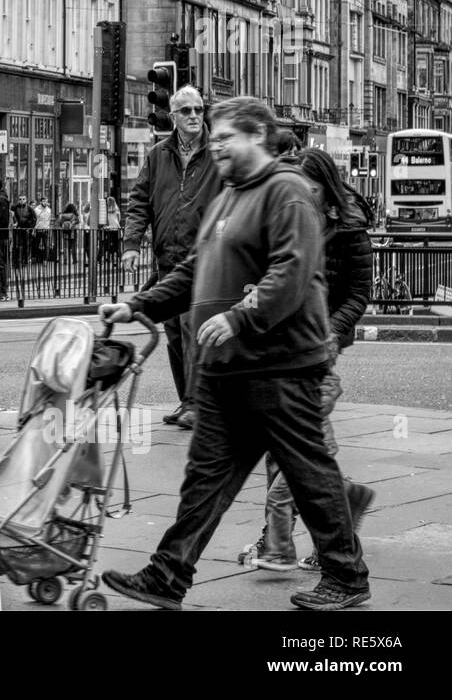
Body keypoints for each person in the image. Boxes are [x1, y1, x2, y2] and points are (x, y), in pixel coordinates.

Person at [99, 97, 371, 612]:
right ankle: (167, 575)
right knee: (205, 480)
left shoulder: (286, 192)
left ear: (258, 138)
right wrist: (139, 305)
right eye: (215, 137)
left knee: (309, 475)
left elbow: (291, 273)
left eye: (226, 137)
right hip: (227, 369)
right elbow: (192, 271)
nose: (216, 144)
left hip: (281, 365)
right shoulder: (229, 196)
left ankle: (347, 577)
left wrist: (239, 317)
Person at [240, 147, 377, 572]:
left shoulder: (351, 230)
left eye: (310, 188)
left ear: (326, 187)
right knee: (288, 440)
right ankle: (338, 503)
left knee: (292, 439)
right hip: (286, 337)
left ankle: (279, 540)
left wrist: (330, 331)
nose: (303, 194)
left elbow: (358, 295)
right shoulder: (293, 216)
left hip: (322, 342)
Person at [121, 84, 223, 431]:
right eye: (186, 111)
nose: (194, 116)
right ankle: (187, 401)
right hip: (167, 260)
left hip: (205, 260)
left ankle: (198, 404)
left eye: (198, 109)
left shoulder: (216, 153)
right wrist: (131, 244)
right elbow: (139, 202)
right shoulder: (158, 155)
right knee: (175, 337)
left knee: (195, 331)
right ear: (173, 117)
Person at [12, 193, 37, 268]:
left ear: (26, 200)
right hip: (17, 229)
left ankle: (24, 261)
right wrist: (14, 223)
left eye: (23, 199)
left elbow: (34, 218)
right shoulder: (14, 207)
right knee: (17, 246)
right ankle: (17, 262)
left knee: (26, 245)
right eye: (20, 199)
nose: (21, 201)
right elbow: (12, 216)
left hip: (26, 230)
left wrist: (30, 227)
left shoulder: (29, 208)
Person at [34, 196, 53, 262]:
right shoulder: (36, 209)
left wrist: (49, 228)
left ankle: (45, 259)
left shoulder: (49, 210)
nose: (45, 203)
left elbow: (49, 220)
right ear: (40, 202)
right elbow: (35, 219)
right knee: (36, 244)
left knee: (46, 245)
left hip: (46, 229)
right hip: (38, 229)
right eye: (44, 201)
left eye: (46, 201)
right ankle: (38, 258)